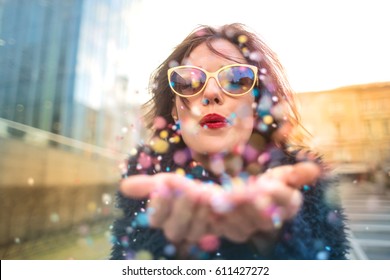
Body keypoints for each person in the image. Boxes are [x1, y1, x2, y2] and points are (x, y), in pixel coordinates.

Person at [110, 23, 349, 260]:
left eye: (236, 79)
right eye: (189, 82)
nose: (211, 93)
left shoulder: (309, 190)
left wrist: (280, 242)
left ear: (257, 105)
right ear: (174, 109)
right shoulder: (143, 187)